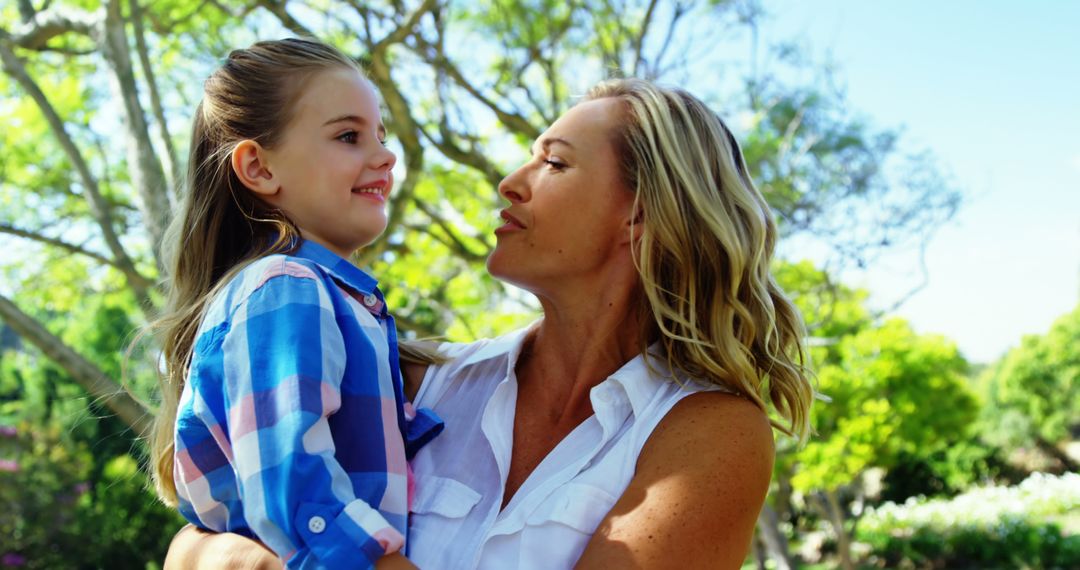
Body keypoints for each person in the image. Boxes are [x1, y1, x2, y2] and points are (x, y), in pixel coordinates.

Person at [164, 77, 814, 569]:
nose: (509, 182)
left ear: (638, 215)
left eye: (554, 163)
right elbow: (213, 527)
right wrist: (217, 556)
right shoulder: (418, 385)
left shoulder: (710, 435)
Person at [149, 38, 442, 570]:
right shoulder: (286, 286)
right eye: (349, 136)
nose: (385, 154)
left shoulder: (332, 299)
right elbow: (293, 482)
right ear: (259, 168)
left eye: (380, 133)